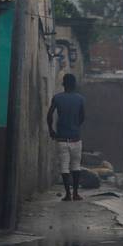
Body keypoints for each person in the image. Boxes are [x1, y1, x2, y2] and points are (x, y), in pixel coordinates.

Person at [47, 73, 85, 201]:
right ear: (74, 85)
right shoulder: (80, 99)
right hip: (75, 138)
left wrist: (51, 130)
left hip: (61, 139)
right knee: (76, 166)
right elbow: (82, 117)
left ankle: (67, 194)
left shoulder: (57, 98)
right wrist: (75, 126)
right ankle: (76, 193)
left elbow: (49, 115)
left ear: (63, 84)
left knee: (64, 166)